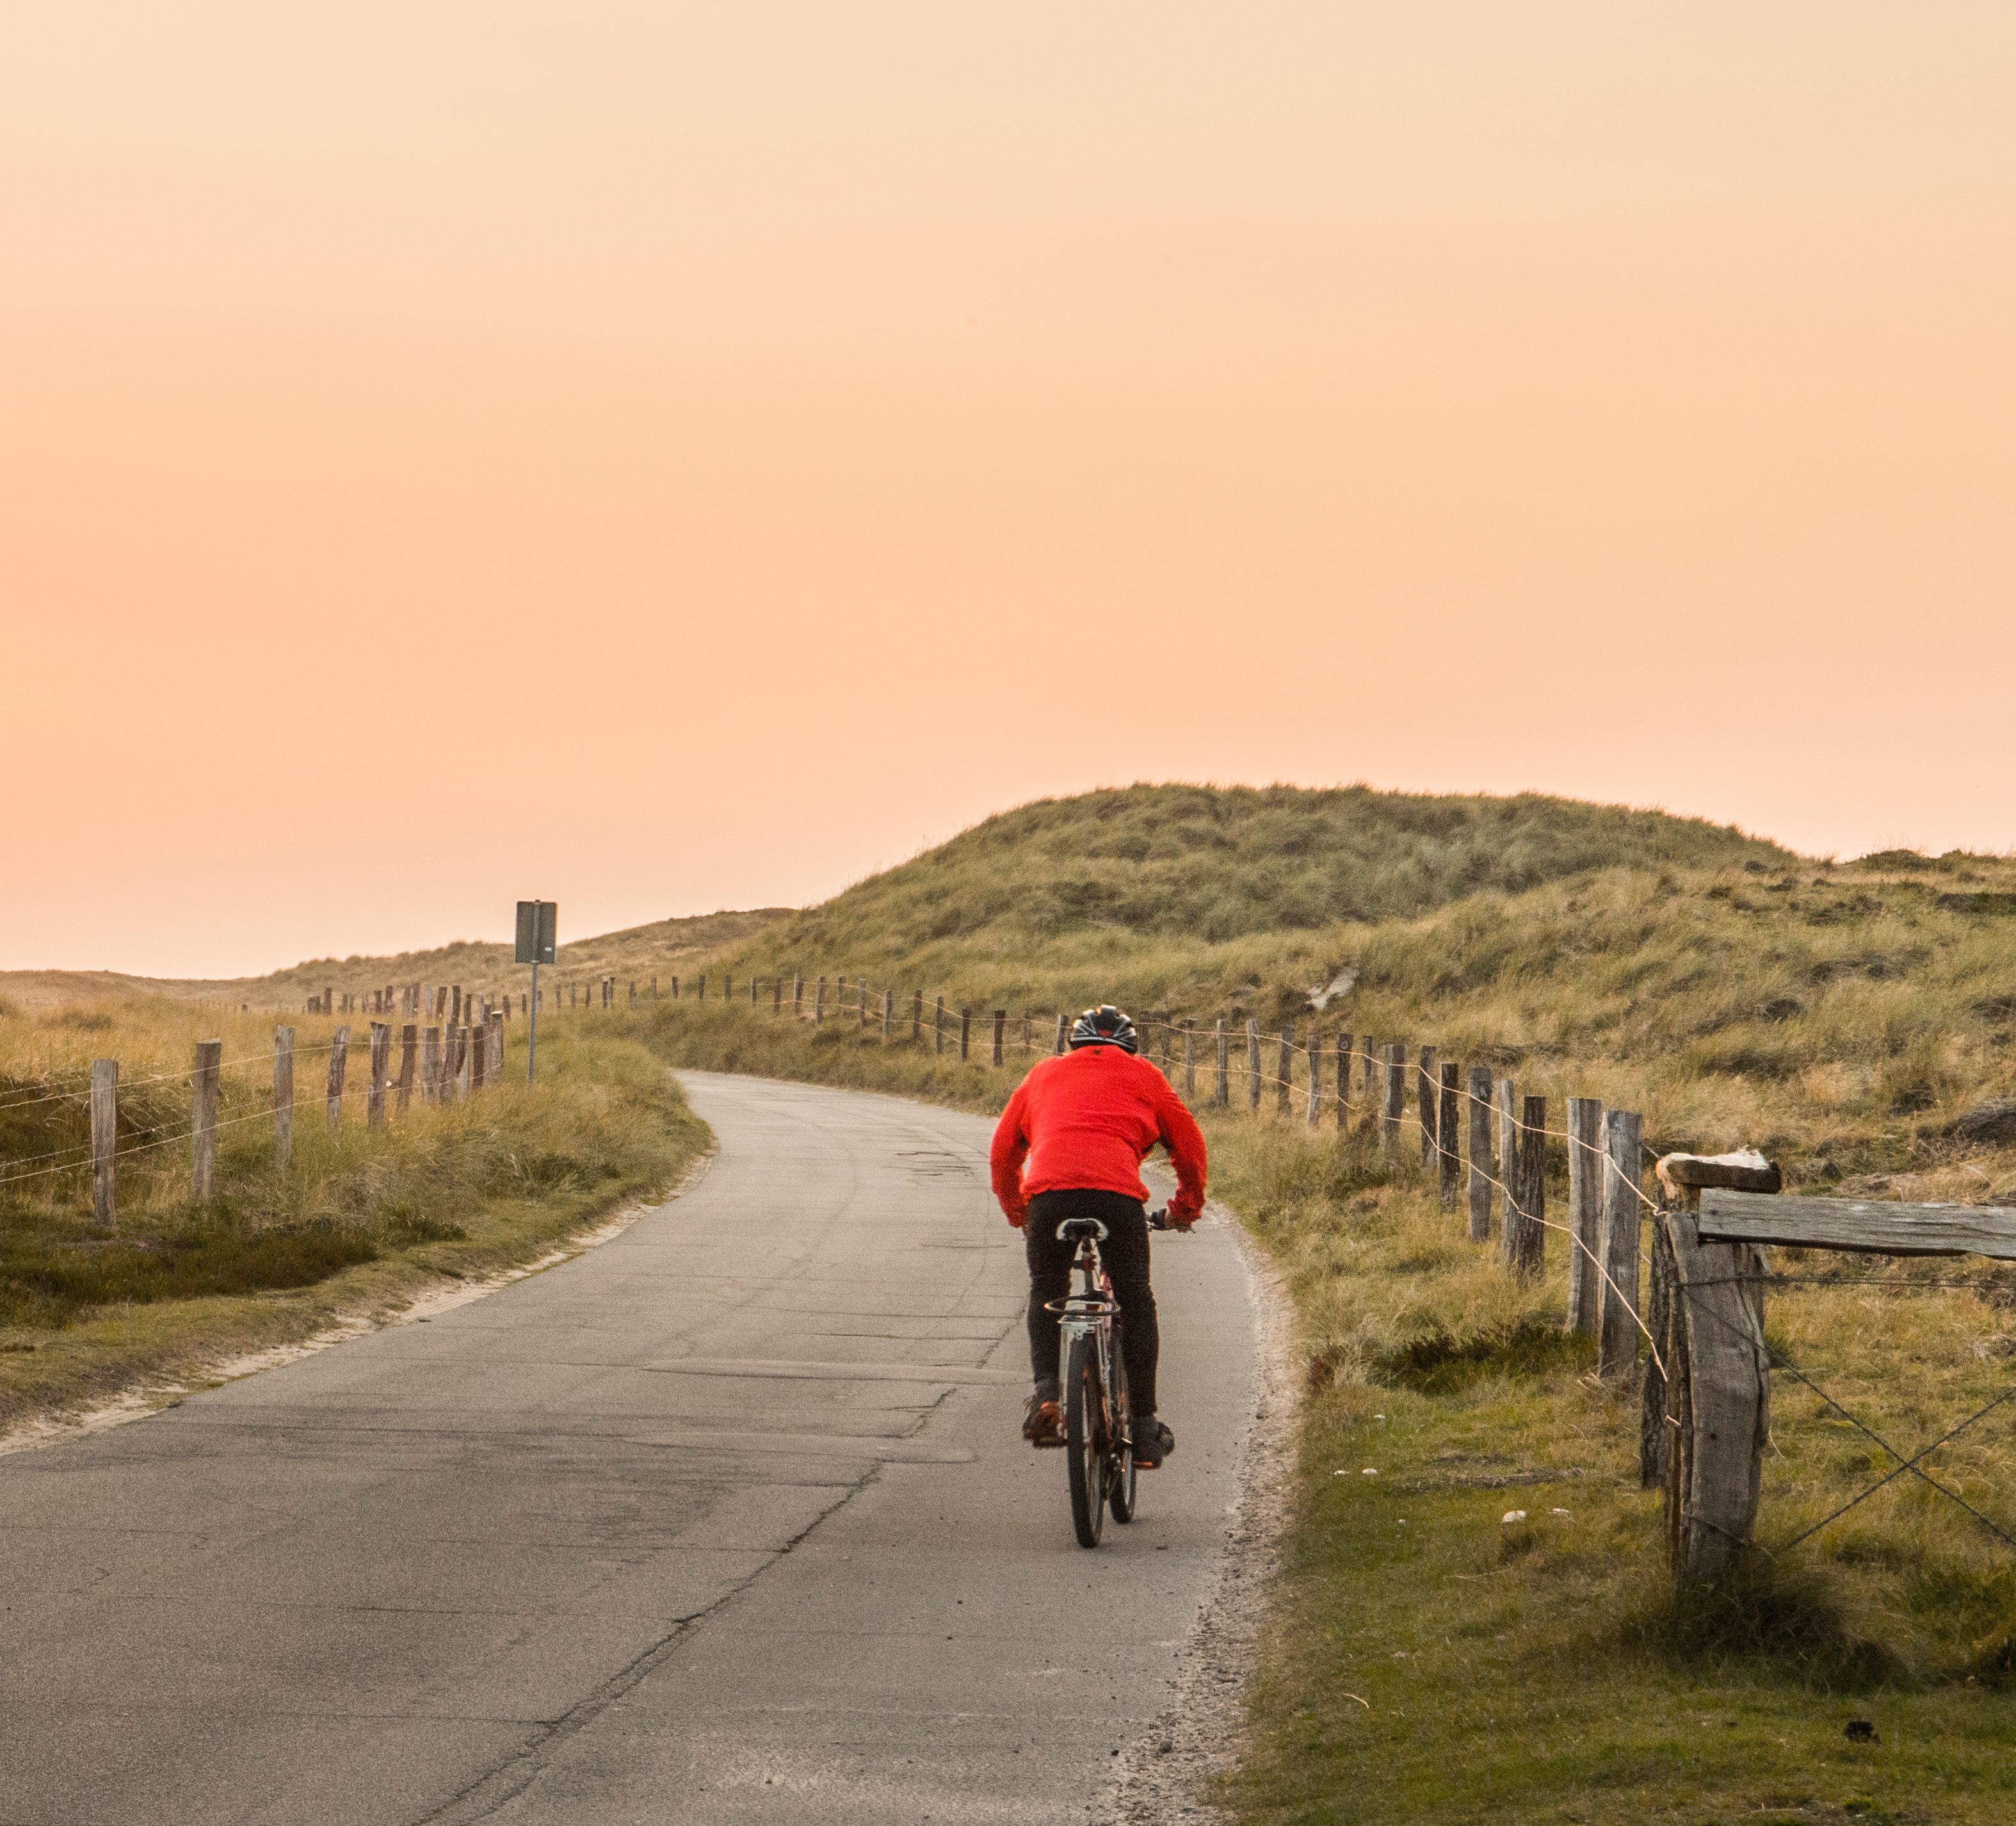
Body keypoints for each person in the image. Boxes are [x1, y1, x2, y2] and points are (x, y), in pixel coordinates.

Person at [989, 1005, 1207, 1467]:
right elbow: (1187, 1144)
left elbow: (1003, 1150)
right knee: (1135, 1299)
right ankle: (1144, 1428)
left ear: (1075, 1045)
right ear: (1129, 1046)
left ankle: (1046, 1395)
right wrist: (1184, 1209)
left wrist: (1018, 1213)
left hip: (1050, 1196)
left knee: (1047, 1290)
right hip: (1117, 1198)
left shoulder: (1044, 1073)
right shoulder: (1144, 1075)